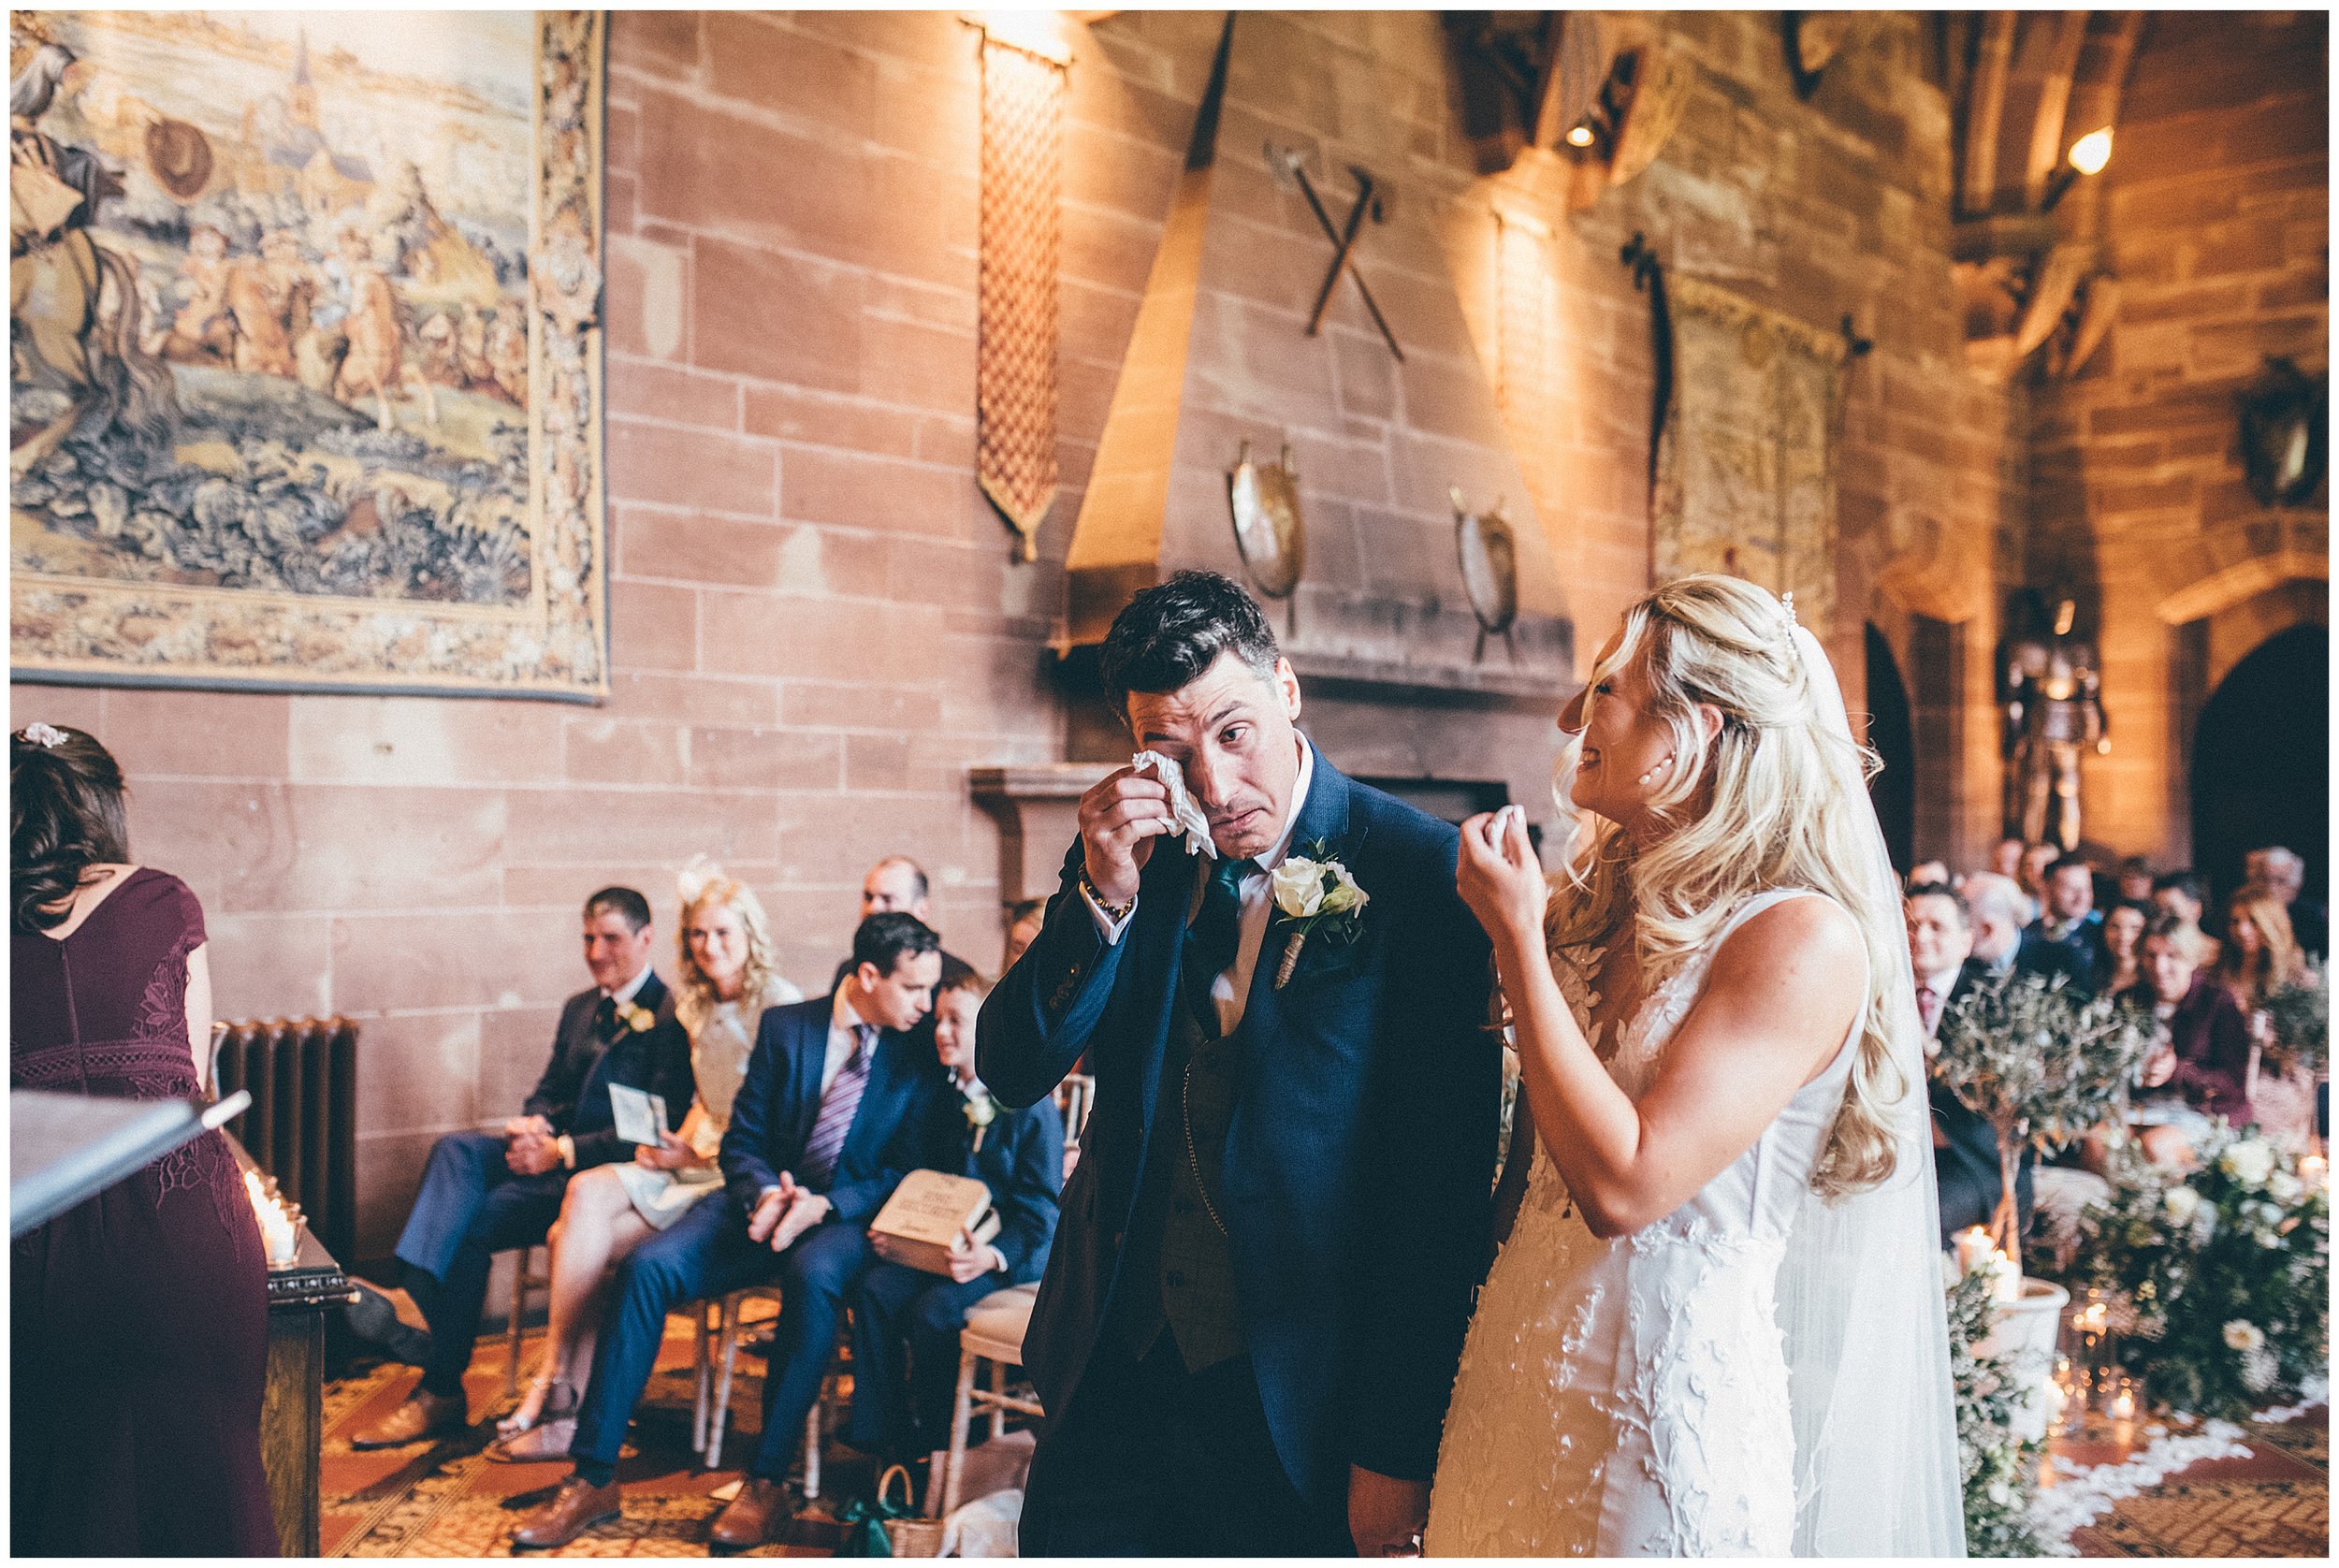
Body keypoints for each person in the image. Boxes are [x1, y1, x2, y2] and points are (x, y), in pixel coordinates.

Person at [1427, 574, 1962, 1555]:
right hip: (1510, 1368)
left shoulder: (1800, 937)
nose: (1568, 716)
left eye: (1606, 689)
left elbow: (1627, 1185)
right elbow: (1529, 1177)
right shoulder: (1599, 913)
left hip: (1654, 1413)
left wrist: (1514, 939)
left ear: (1698, 726)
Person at [981, 571, 1499, 1555]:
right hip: (1111, 1371)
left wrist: (1393, 1451)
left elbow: (1434, 1202)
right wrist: (1101, 893)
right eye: (1169, 749)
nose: (1211, 787)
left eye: (1233, 731)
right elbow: (1010, 1068)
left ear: (1287, 689)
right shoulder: (1132, 846)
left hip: (1300, 1403)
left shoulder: (1420, 872)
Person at [515, 913, 944, 1551]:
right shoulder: (788, 1026)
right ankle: (594, 1475)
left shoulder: (919, 1050)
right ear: (869, 975)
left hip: (843, 1217)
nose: (926, 1004)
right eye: (914, 988)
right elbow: (743, 1138)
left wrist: (822, 1206)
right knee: (646, 1269)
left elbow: (905, 1167)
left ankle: (766, 1483)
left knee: (814, 1275)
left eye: (931, 990)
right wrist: (766, 1192)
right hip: (756, 1200)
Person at [11, 723, 280, 1555]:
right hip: (181, 1239)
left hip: (36, 1250)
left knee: (54, 1490)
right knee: (208, 1479)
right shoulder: (166, 900)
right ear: (105, 804)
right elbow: (191, 1077)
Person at [355, 889, 692, 1448]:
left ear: (645, 939)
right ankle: (415, 1288)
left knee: (469, 1226)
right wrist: (532, 1126)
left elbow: (652, 1132)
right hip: (548, 1157)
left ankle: (439, 1382)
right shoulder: (579, 1007)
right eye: (588, 938)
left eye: (610, 938)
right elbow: (548, 1090)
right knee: (455, 1151)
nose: (595, 951)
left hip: (600, 1181)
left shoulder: (670, 1017)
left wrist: (561, 1151)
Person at [490, 862, 803, 1459]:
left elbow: (781, 1121)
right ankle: (560, 1392)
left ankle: (559, 1400)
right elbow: (706, 1103)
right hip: (697, 1152)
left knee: (565, 1235)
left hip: (743, 1166)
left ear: (750, 937)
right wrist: (674, 1146)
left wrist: (703, 1150)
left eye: (723, 934)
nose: (709, 947)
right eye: (699, 934)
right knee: (583, 1192)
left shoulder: (780, 1007)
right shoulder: (693, 1006)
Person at [849, 960, 1063, 1476]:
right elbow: (918, 1176)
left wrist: (990, 1254)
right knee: (875, 1289)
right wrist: (897, 1229)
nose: (940, 1032)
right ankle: (888, 1441)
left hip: (1008, 1254)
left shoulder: (1028, 1105)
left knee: (933, 1313)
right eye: (938, 1020)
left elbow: (1041, 1209)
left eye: (955, 1021)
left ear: (989, 1027)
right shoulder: (940, 1095)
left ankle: (943, 1447)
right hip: (942, 1248)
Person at [1907, 882, 2033, 1248]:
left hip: (1973, 1162)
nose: (1921, 936)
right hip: (1894, 1157)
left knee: (1920, 1219)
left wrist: (1928, 1050)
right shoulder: (1882, 993)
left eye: (1936, 926)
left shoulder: (1997, 999)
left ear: (1966, 941)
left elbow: (2000, 1096)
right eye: (1912, 925)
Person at [2124, 913, 2254, 1168]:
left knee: (2154, 1146)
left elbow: (2233, 1082)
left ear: (2190, 959)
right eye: (2151, 955)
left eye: (2171, 956)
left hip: (2206, 1114)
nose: (2159, 967)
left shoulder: (2217, 1002)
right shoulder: (2131, 999)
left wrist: (2177, 1071)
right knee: (2097, 1142)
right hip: (2142, 1110)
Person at [2215, 890, 2317, 1151]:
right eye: (2235, 921)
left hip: (2276, 1082)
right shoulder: (2221, 971)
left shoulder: (2296, 979)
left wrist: (2272, 1042)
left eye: (2252, 921)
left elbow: (2308, 1054)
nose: (2242, 930)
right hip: (2226, 1076)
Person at [1965, 871, 2090, 992]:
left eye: (1962, 923)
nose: (1959, 934)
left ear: (1987, 929)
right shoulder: (1963, 968)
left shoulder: (2062, 961)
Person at [2030, 856, 2106, 990]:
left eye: (2087, 889)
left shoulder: (2102, 936)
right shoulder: (2028, 934)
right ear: (2047, 888)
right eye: (2071, 889)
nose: (2081, 897)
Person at [2245, 845, 2325, 958]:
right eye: (2265, 879)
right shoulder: (2243, 911)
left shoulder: (2313, 917)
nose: (2271, 888)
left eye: (2280, 881)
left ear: (2295, 886)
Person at [2151, 870, 2218, 967]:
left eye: (2172, 910)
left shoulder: (2218, 955)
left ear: (2196, 909)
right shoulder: (2153, 957)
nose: (2163, 918)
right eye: (2158, 911)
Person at [2099, 900, 2150, 998]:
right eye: (2115, 927)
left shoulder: (2153, 982)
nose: (2123, 936)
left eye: (2135, 929)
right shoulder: (2089, 975)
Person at [2018, 840, 2061, 907]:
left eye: (2046, 864)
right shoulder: (2019, 905)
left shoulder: (2076, 909)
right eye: (2029, 866)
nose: (2037, 871)